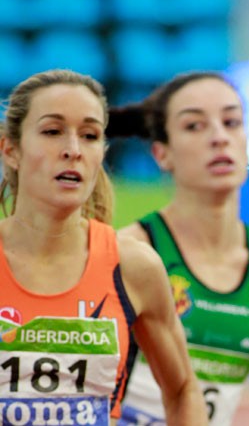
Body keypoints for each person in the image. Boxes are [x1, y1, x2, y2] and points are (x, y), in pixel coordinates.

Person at [0, 69, 206, 425]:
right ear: (11, 149)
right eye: (52, 131)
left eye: (90, 135)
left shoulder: (134, 267)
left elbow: (183, 390)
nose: (73, 150)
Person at [106, 71, 249, 426]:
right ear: (162, 154)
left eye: (231, 122)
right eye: (194, 126)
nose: (219, 137)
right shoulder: (130, 252)